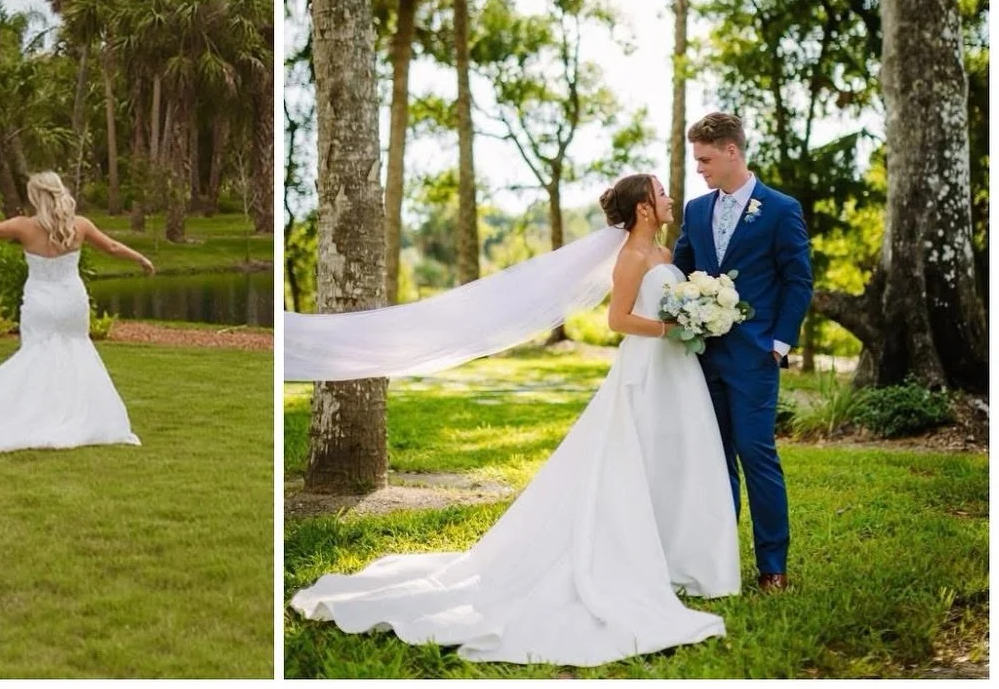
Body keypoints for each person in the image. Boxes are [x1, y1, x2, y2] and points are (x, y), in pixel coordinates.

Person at [288, 173, 754, 667]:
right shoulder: (633, 258)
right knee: (633, 464)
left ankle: (679, 559)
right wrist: (673, 325)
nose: (669, 199)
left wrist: (698, 314)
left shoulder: (666, 256)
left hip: (679, 371)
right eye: (660, 194)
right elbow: (618, 320)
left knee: (677, 463)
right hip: (648, 370)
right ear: (643, 208)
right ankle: (631, 559)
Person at [671, 110, 813, 591]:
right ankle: (719, 558)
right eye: (697, 161)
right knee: (715, 459)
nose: (700, 169)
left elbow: (798, 281)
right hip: (701, 357)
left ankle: (773, 566)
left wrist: (777, 344)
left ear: (733, 151)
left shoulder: (780, 209)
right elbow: (680, 270)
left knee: (757, 455)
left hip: (755, 357)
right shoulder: (695, 209)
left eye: (706, 159)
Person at [0, 171, 155, 452]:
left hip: (40, 301)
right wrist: (140, 258)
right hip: (71, 300)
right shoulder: (80, 226)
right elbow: (112, 247)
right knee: (75, 352)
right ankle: (71, 417)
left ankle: (35, 415)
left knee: (35, 354)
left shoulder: (24, 227)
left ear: (35, 197)